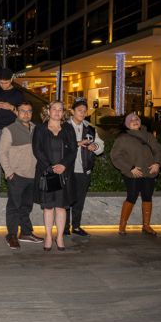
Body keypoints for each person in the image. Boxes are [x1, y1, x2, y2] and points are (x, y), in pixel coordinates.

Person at [109, 112, 161, 236]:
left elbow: (158, 150)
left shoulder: (149, 136)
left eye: (137, 119)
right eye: (131, 120)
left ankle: (146, 226)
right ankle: (122, 225)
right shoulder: (122, 138)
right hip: (133, 173)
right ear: (127, 124)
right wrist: (130, 168)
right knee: (132, 197)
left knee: (147, 197)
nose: (135, 121)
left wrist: (157, 163)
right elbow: (115, 156)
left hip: (150, 172)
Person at [32, 100, 77, 251]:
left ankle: (59, 237)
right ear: (48, 111)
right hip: (48, 173)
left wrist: (63, 165)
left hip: (64, 173)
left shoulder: (68, 129)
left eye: (60, 109)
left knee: (61, 207)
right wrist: (50, 167)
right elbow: (37, 150)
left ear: (63, 112)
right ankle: (49, 237)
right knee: (48, 207)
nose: (57, 112)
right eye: (54, 109)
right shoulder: (40, 129)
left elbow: (73, 150)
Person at [0, 101, 43, 249]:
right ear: (17, 112)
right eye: (23, 111)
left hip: (33, 175)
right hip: (16, 175)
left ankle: (26, 232)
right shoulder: (9, 129)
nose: (26, 114)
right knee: (14, 207)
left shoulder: (37, 129)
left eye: (29, 111)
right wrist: (9, 172)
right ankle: (11, 236)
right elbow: (1, 153)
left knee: (26, 206)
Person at [64, 97, 105, 237]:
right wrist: (77, 143)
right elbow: (58, 146)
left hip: (83, 170)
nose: (82, 113)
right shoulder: (64, 126)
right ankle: (64, 227)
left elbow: (101, 147)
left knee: (79, 200)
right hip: (67, 170)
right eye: (79, 110)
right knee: (66, 199)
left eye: (84, 110)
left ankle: (76, 226)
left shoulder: (90, 128)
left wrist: (95, 147)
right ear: (72, 111)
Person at [0, 68, 24, 197]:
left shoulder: (18, 94)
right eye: (1, 82)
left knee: (13, 158)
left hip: (12, 129)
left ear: (11, 80)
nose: (3, 85)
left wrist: (11, 107)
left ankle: (14, 186)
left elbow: (24, 115)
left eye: (6, 82)